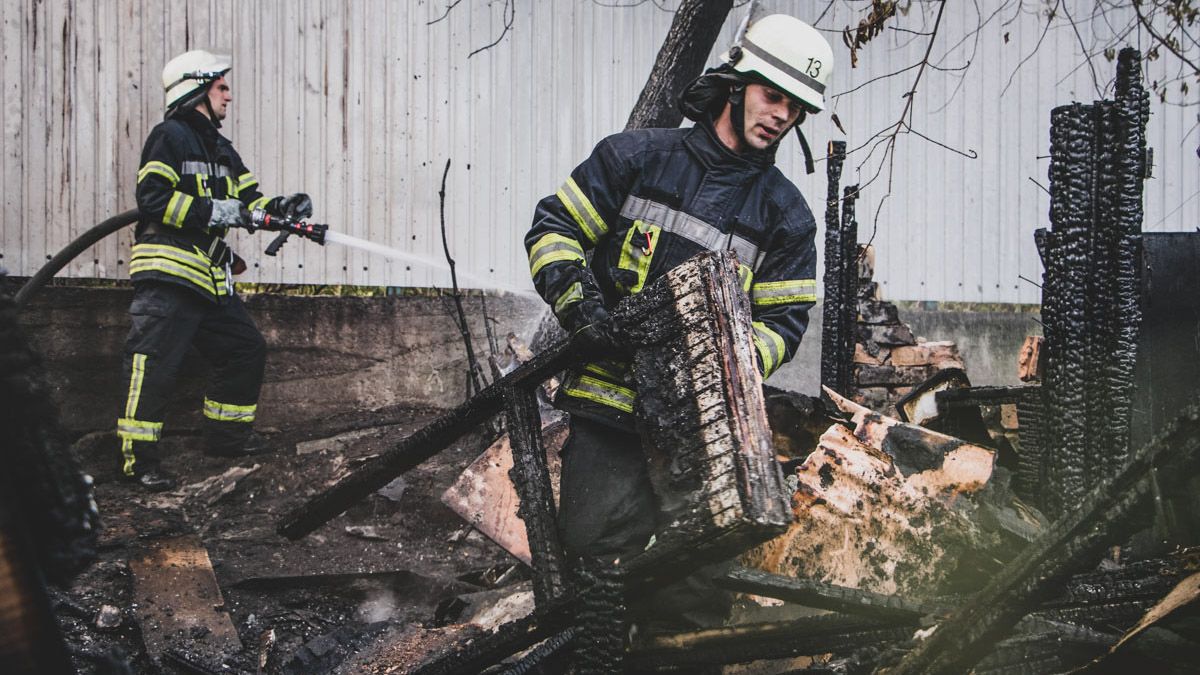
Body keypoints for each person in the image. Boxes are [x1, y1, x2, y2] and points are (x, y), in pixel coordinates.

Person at [524, 14, 832, 626]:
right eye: (773, 95)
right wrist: (581, 308)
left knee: (693, 588)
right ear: (737, 83)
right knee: (593, 571)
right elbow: (554, 228)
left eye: (795, 107)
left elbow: (785, 325)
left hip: (704, 432)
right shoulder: (634, 158)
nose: (781, 116)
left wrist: (721, 365)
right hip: (607, 408)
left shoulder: (786, 218)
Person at [116, 49, 313, 490]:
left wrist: (283, 209)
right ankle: (137, 462)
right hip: (169, 272)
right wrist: (212, 211)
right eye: (221, 86)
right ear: (197, 89)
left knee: (244, 349)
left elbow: (250, 204)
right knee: (155, 364)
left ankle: (226, 439)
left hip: (206, 277)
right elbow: (152, 198)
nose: (229, 95)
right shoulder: (169, 136)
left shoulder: (221, 149)